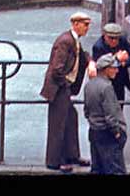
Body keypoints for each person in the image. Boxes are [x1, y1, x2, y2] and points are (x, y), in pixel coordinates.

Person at [40, 10, 96, 172]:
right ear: (75, 24)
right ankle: (55, 161)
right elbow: (57, 69)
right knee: (58, 124)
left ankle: (72, 155)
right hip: (58, 88)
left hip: (64, 87)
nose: (87, 28)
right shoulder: (65, 41)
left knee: (71, 118)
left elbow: (83, 55)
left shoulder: (74, 40)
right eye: (85, 25)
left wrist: (91, 62)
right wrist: (66, 85)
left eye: (88, 25)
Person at [82, 53, 127, 174]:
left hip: (94, 131)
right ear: (106, 69)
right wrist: (116, 132)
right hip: (107, 134)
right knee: (116, 169)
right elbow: (110, 114)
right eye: (114, 68)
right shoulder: (107, 87)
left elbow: (86, 110)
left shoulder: (88, 86)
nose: (117, 71)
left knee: (97, 168)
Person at [91, 22, 130, 104]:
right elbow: (100, 65)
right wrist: (117, 59)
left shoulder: (122, 41)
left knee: (119, 107)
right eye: (111, 38)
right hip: (105, 83)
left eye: (116, 38)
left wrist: (124, 63)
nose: (114, 41)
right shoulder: (98, 47)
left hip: (119, 82)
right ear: (105, 36)